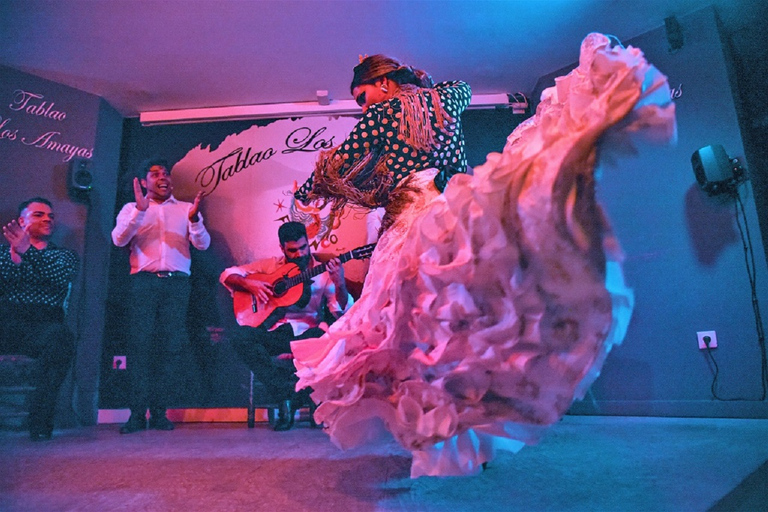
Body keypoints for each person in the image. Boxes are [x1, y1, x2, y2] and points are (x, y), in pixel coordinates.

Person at [291, 37, 677, 477]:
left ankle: (440, 427)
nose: (362, 107)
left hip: (411, 219)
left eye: (362, 96)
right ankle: (469, 426)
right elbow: (461, 90)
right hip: (448, 216)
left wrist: (305, 193)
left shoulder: (381, 116)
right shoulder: (445, 99)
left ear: (381, 83)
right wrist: (420, 82)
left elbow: (343, 159)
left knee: (407, 327)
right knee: (461, 321)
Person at [219, 221, 353, 431]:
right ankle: (289, 393)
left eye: (303, 248)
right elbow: (227, 274)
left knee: (326, 337)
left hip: (307, 335)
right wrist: (249, 284)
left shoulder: (324, 272)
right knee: (239, 336)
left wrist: (340, 283)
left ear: (308, 244)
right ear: (283, 248)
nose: (299, 254)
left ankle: (285, 398)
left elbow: (341, 310)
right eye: (293, 250)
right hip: (277, 333)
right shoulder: (271, 266)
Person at [111, 158, 210, 434]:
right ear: (144, 182)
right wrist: (140, 213)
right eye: (155, 174)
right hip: (142, 285)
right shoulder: (131, 208)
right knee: (139, 348)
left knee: (170, 349)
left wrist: (194, 221)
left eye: (166, 173)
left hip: (177, 286)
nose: (162, 177)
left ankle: (159, 413)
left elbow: (202, 245)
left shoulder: (186, 209)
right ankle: (135, 414)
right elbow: (118, 239)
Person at [0, 197, 78, 441]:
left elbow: (58, 276)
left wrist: (28, 252)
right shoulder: (3, 254)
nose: (47, 219)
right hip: (7, 321)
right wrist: (17, 253)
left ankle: (40, 422)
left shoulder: (64, 256)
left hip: (44, 326)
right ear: (22, 221)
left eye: (50, 216)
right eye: (39, 215)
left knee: (61, 340)